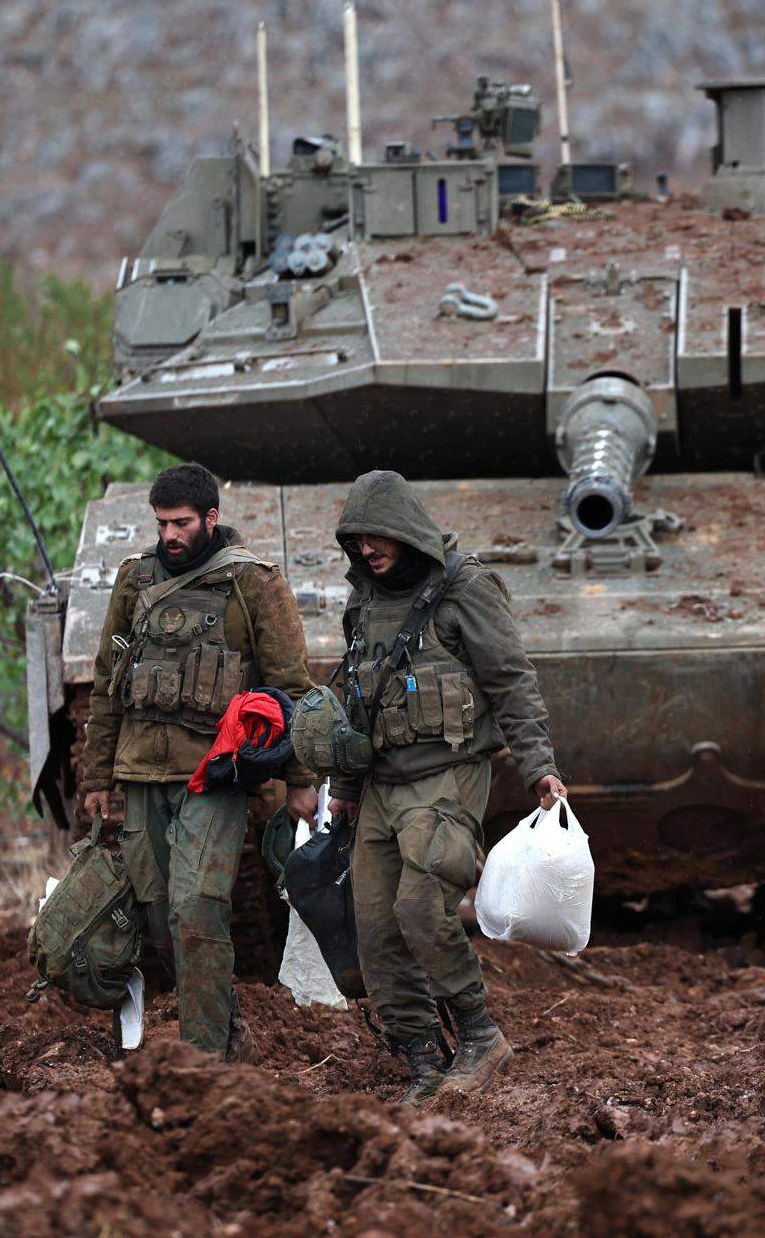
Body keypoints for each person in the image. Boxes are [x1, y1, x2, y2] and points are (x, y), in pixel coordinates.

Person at [322, 470, 565, 1105]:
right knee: (374, 929)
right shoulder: (365, 600)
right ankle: (424, 1058)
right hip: (379, 785)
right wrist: (344, 787)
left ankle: (481, 1036)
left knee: (421, 907)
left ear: (406, 531)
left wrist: (539, 765)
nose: (369, 549)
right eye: (358, 539)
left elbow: (512, 681)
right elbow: (357, 698)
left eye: (378, 536)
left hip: (446, 776)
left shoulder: (464, 590)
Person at [79, 463, 317, 1057]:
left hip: (213, 777)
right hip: (139, 775)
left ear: (212, 518)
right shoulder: (134, 582)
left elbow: (291, 687)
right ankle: (225, 1022)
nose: (170, 536)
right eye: (161, 524)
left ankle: (203, 1054)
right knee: (158, 917)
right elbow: (108, 684)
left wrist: (300, 779)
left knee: (197, 910)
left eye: (181, 523)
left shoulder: (253, 583)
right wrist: (95, 775)